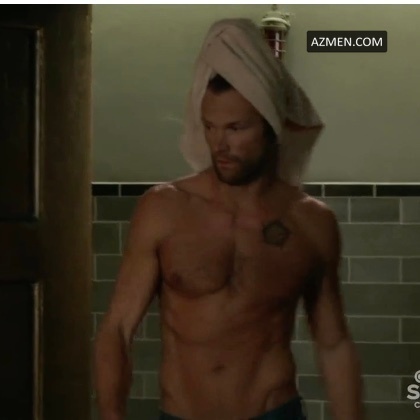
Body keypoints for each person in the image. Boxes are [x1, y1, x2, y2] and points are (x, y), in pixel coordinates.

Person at [94, 18, 365, 420]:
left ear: (271, 127)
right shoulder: (165, 209)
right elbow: (117, 328)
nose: (220, 144)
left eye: (237, 128)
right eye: (210, 127)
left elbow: (333, 343)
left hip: (274, 413)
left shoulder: (311, 222)